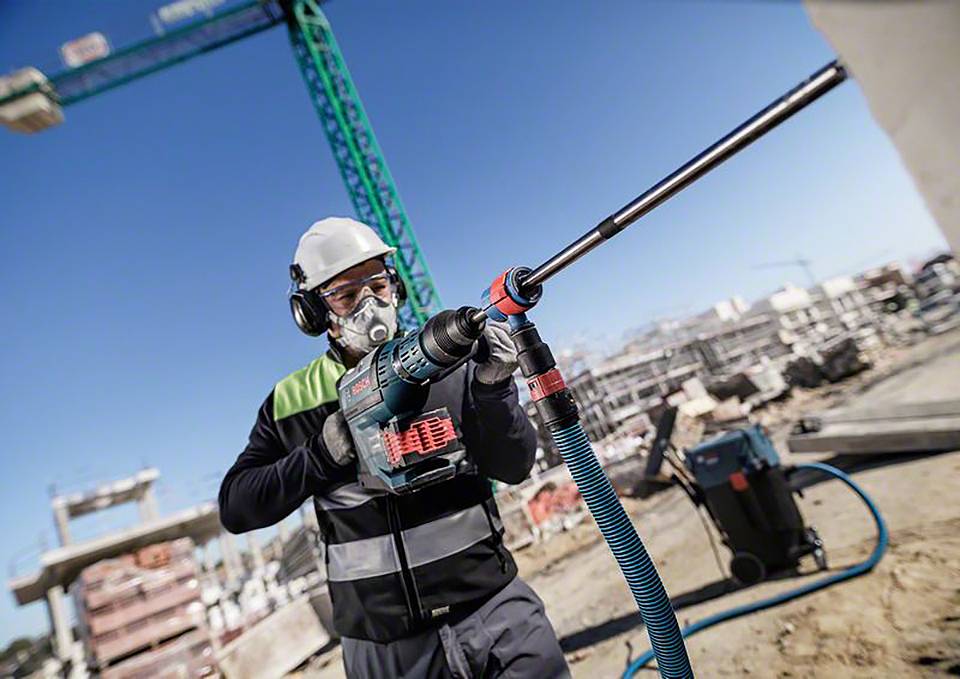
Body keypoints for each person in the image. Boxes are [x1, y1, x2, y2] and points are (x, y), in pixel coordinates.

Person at [219, 217, 570, 678]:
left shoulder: (444, 363)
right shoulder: (292, 402)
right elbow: (237, 507)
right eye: (347, 295)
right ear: (314, 313)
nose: (369, 305)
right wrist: (320, 456)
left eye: (378, 286)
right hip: (384, 649)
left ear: (395, 288)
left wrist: (493, 389)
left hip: (494, 611)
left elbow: (515, 465)